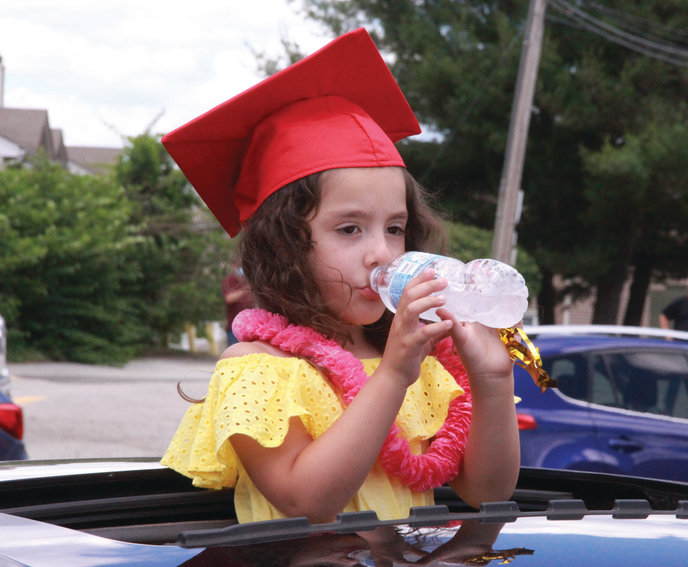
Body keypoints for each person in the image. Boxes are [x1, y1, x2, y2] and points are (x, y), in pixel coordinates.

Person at [160, 28, 520, 525]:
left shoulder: (416, 360)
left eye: (395, 228)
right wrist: (394, 375)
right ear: (284, 245)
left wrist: (492, 379)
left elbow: (487, 492)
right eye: (350, 229)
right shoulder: (257, 368)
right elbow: (308, 503)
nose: (381, 253)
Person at [221, 264, 253, 346]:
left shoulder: (250, 281)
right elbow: (229, 298)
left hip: (250, 328)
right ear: (234, 267)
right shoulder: (229, 281)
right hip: (234, 329)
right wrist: (245, 290)